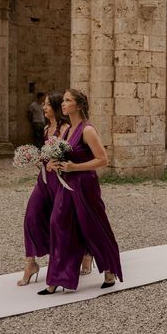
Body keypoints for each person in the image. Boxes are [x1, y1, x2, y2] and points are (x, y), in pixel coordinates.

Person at [38, 89, 123, 294]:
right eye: (64, 101)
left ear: (79, 105)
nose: (63, 104)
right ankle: (57, 278)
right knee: (58, 223)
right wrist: (55, 164)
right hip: (66, 184)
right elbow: (67, 155)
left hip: (85, 185)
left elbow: (102, 160)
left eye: (68, 101)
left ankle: (109, 268)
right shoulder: (67, 130)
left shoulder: (87, 130)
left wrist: (74, 167)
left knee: (92, 225)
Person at [17, 92, 69, 286]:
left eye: (47, 105)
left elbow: (70, 153)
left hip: (60, 180)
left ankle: (82, 254)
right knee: (31, 215)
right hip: (44, 179)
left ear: (55, 108)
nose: (44, 107)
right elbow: (47, 152)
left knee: (60, 220)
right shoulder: (47, 128)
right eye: (44, 104)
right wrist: (35, 157)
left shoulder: (65, 128)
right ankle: (30, 262)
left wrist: (56, 161)